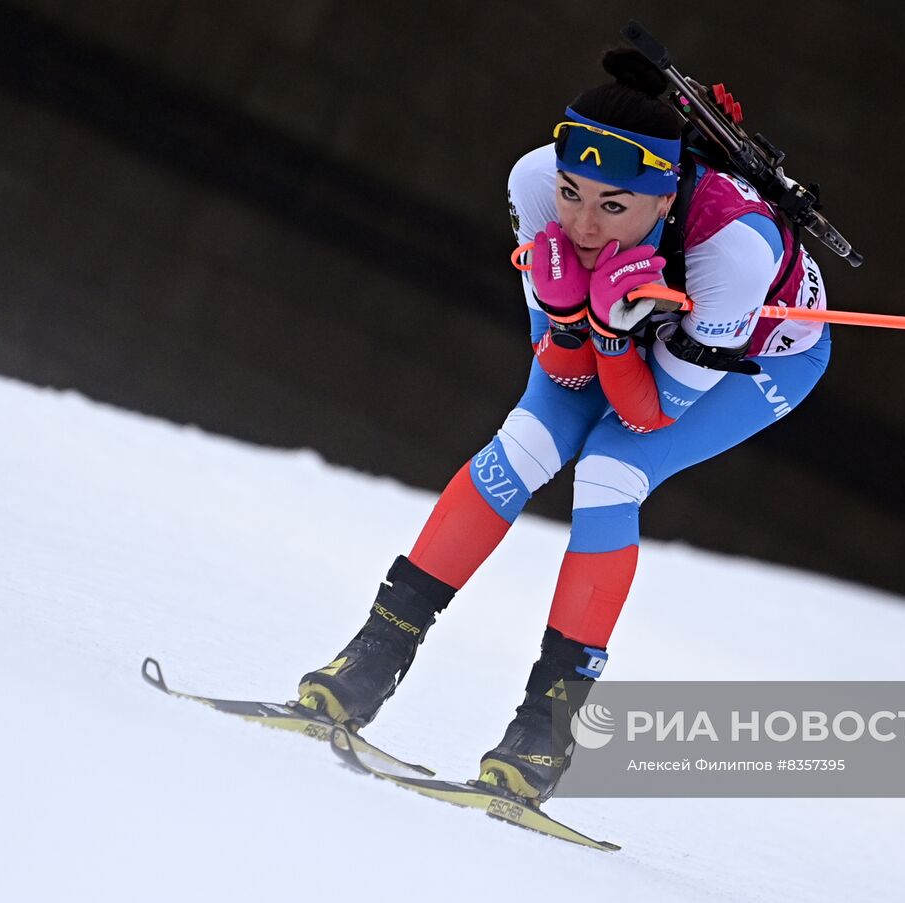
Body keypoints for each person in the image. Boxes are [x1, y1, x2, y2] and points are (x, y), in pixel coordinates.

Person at [296, 48, 832, 804]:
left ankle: (542, 736)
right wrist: (576, 318)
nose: (581, 223)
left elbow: (646, 413)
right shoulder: (531, 183)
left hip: (759, 358)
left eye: (614, 206)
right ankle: (370, 658)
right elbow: (562, 374)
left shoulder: (732, 253)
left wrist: (610, 332)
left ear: (665, 194)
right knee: (520, 446)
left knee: (611, 472)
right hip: (618, 328)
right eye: (573, 192)